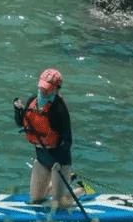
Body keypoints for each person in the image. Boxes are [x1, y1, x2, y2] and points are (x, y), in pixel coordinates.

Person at [13, 67, 83, 207]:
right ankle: (65, 181)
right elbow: (22, 123)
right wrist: (17, 110)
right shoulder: (33, 100)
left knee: (59, 204)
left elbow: (67, 139)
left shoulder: (59, 108)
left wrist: (59, 162)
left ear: (56, 89)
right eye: (42, 87)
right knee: (36, 200)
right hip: (41, 157)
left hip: (59, 160)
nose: (43, 91)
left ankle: (82, 188)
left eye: (48, 89)